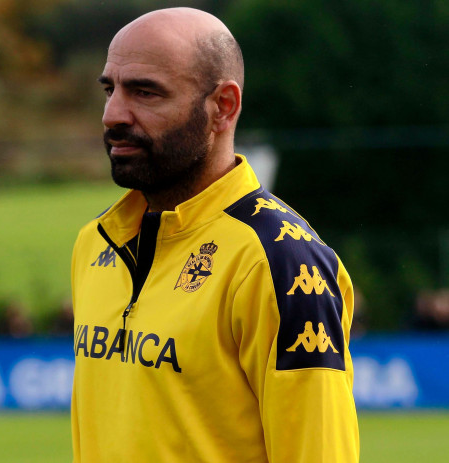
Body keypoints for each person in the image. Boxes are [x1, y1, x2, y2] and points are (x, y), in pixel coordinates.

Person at [70, 8, 359, 462]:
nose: (112, 115)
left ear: (222, 106)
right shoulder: (97, 241)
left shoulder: (280, 263)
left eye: (145, 92)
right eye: (110, 89)